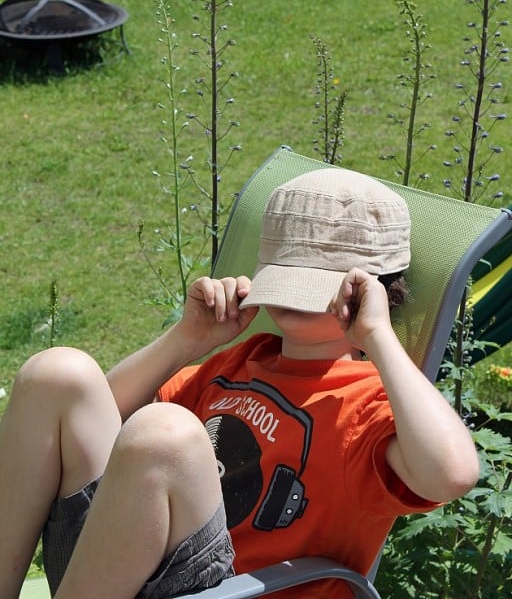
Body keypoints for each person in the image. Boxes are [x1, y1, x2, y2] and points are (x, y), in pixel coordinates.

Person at [0, 168, 480, 599]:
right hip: (115, 567)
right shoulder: (242, 361)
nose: (294, 296)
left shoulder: (366, 404)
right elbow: (101, 422)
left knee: (165, 433)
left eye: (314, 283)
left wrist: (377, 336)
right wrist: (185, 340)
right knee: (58, 374)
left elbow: (452, 474)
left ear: (376, 291)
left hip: (237, 591)